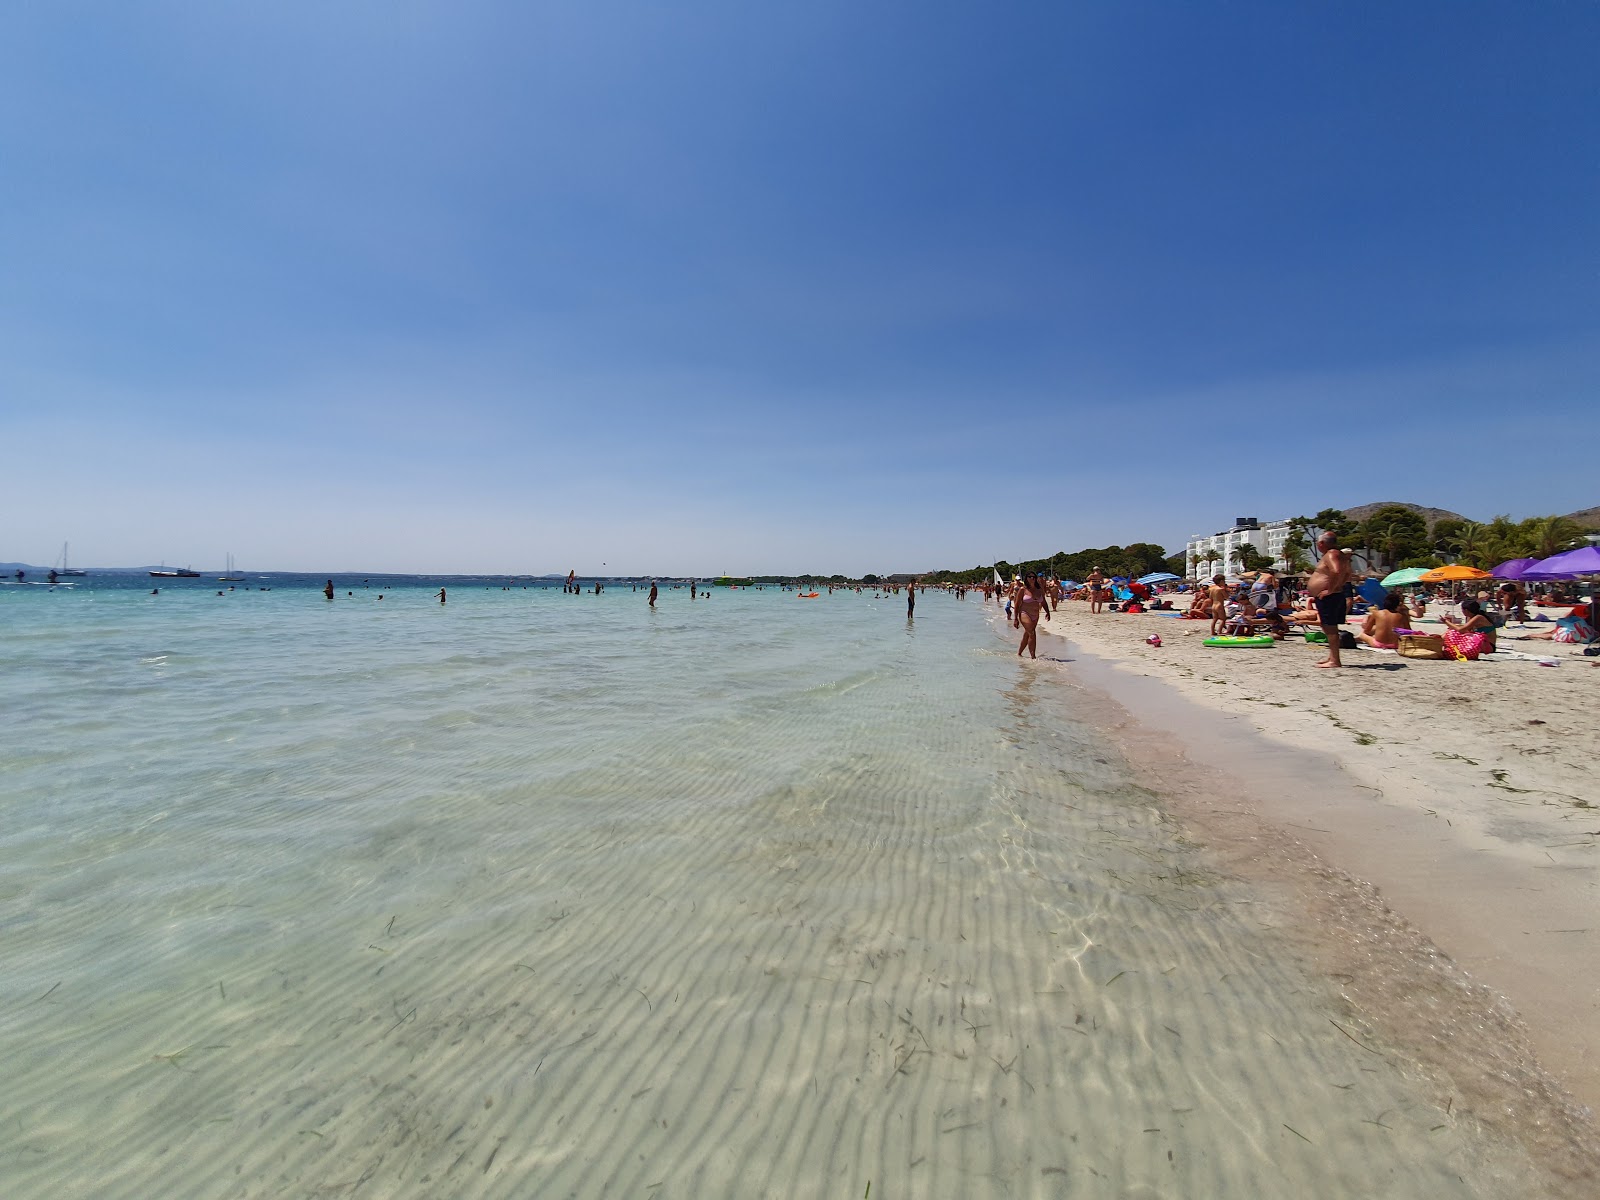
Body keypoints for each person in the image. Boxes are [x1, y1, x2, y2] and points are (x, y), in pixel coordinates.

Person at [1306, 532, 1353, 668]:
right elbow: (1348, 573)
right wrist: (1339, 586)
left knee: (1330, 628)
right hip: (1332, 595)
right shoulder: (1340, 555)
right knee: (1329, 627)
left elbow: (1336, 571)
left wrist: (1330, 590)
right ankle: (1332, 657)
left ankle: (1335, 660)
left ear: (1321, 544)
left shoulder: (1331, 554)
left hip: (1329, 597)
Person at [1014, 571, 1052, 659]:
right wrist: (1015, 618)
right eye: (1030, 577)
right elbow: (1017, 604)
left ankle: (1019, 653)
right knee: (1032, 632)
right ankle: (1033, 657)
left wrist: (1048, 612)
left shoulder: (1039, 590)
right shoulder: (1023, 590)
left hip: (1035, 615)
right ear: (1026, 578)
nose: (1032, 578)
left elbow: (1043, 602)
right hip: (1024, 613)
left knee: (1027, 634)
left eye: (1033, 577)